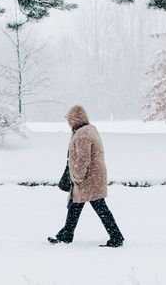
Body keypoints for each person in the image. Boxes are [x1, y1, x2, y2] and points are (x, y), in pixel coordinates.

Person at [47, 105, 125, 247]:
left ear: (75, 120)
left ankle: (116, 237)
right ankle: (66, 235)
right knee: (76, 206)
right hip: (93, 177)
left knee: (98, 208)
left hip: (88, 179)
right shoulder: (89, 129)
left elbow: (83, 159)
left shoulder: (82, 134)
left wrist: (76, 177)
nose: (68, 123)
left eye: (69, 120)